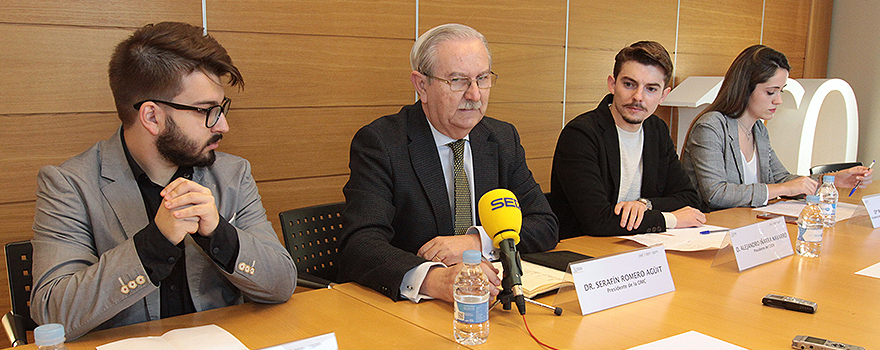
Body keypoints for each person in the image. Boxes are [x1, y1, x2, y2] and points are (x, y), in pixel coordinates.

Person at [30, 22, 297, 340]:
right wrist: (154, 244)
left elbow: (282, 283)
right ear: (152, 117)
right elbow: (53, 312)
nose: (223, 125)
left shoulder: (232, 174)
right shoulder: (69, 185)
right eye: (206, 110)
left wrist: (219, 233)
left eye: (221, 108)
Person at [338, 23, 558, 303]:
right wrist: (434, 279)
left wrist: (478, 242)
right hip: (411, 311)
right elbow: (360, 244)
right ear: (422, 86)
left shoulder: (502, 138)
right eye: (458, 81)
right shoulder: (381, 143)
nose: (475, 95)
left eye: (482, 78)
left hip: (489, 302)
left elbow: (545, 224)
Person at [681, 45, 873, 210]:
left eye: (781, 91)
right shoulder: (711, 126)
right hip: (712, 228)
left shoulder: (758, 129)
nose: (779, 100)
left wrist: (832, 181)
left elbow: (782, 178)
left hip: (746, 225)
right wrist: (783, 190)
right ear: (744, 88)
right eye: (771, 92)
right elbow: (716, 193)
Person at [549, 41, 705, 239]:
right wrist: (670, 219)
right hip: (584, 251)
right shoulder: (581, 135)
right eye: (629, 84)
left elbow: (689, 199)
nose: (638, 97)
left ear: (664, 95)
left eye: (651, 89)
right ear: (612, 84)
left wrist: (644, 204)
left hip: (639, 246)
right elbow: (597, 221)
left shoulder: (656, 130)